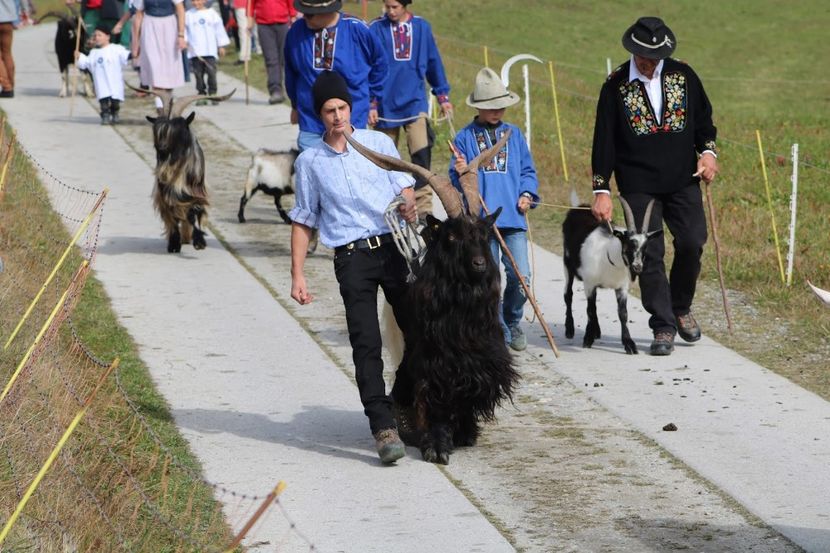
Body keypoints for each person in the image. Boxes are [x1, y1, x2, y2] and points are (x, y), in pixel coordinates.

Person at [289, 71, 416, 465]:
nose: (338, 116)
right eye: (330, 110)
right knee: (366, 342)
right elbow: (303, 220)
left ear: (351, 107)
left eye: (342, 107)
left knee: (419, 329)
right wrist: (297, 274)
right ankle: (383, 428)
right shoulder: (310, 162)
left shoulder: (379, 143)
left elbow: (404, 185)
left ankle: (404, 400)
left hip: (392, 247)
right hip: (351, 257)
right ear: (319, 115)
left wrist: (408, 201)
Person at [590, 16, 719, 356]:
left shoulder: (684, 76)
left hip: (683, 180)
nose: (649, 63)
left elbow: (704, 123)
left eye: (655, 57)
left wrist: (708, 154)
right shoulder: (615, 86)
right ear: (633, 51)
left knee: (692, 241)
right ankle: (663, 325)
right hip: (637, 184)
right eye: (643, 57)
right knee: (647, 253)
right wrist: (601, 190)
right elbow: (604, 142)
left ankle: (680, 306)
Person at [449, 67, 539, 352]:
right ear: (478, 106)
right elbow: (456, 182)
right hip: (481, 224)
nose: (497, 111)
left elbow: (527, 171)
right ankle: (497, 327)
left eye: (500, 105)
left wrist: (527, 194)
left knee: (521, 277)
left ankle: (512, 320)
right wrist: (461, 172)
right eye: (490, 106)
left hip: (513, 217)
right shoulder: (464, 138)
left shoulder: (514, 134)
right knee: (489, 278)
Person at [369, 0, 451, 221]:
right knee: (384, 162)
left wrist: (442, 96)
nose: (390, 11)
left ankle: (423, 210)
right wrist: (371, 103)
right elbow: (370, 66)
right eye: (387, 6)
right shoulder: (376, 28)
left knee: (421, 158)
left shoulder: (422, 27)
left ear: (405, 5)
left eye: (395, 6)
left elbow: (433, 62)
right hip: (385, 105)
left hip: (415, 103)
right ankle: (385, 207)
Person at [284, 0, 386, 151]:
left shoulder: (357, 29)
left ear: (327, 11)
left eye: (309, 14)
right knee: (312, 165)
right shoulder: (296, 31)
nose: (304, 17)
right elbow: (291, 72)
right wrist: (295, 105)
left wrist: (372, 101)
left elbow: (380, 64)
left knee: (351, 165)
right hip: (311, 123)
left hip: (352, 123)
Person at [131, 0, 186, 114]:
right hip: (150, 26)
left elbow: (180, 10)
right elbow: (138, 15)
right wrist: (135, 42)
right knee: (154, 66)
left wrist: (181, 34)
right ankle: (160, 107)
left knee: (169, 66)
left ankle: (168, 102)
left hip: (169, 27)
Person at [75, 23, 131, 124]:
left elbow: (126, 56)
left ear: (107, 37)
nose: (97, 38)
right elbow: (86, 63)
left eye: (99, 35)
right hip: (101, 83)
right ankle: (105, 115)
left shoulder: (116, 49)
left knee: (115, 102)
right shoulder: (94, 53)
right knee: (103, 101)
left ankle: (115, 112)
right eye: (95, 35)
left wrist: (134, 53)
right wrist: (79, 56)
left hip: (114, 82)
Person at [249, 0, 295, 104]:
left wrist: (293, 16)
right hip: (264, 25)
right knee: (271, 59)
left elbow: (290, 2)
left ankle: (290, 89)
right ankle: (275, 90)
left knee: (285, 59)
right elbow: (250, 3)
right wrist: (249, 18)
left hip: (283, 23)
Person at [184, 0, 229, 99]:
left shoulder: (212, 14)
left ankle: (213, 92)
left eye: (198, 0)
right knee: (198, 74)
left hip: (209, 50)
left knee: (211, 72)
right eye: (193, 1)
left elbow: (219, 30)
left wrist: (221, 45)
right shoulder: (188, 15)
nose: (196, 3)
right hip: (195, 51)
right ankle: (201, 93)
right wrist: (185, 41)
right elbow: (184, 30)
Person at [0, 0, 30, 98]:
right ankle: (11, 86)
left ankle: (6, 86)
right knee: (7, 53)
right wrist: (25, 11)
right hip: (8, 20)